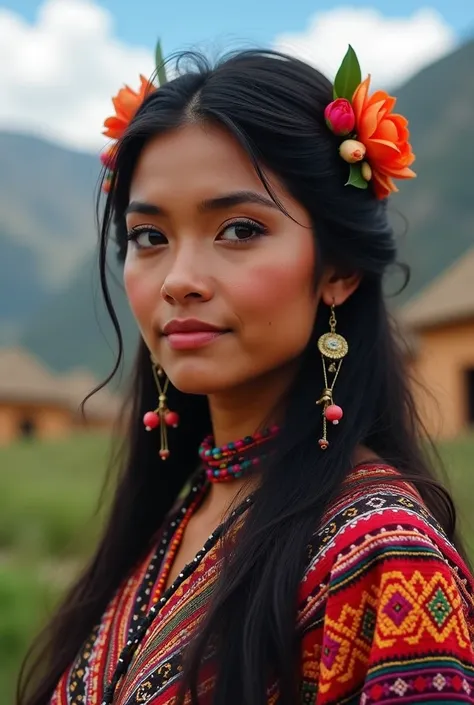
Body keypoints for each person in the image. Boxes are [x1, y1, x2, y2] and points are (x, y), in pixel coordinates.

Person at [18, 46, 474, 705]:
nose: (178, 281)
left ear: (339, 268)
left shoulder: (386, 557)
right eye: (149, 237)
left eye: (237, 228)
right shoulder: (182, 514)